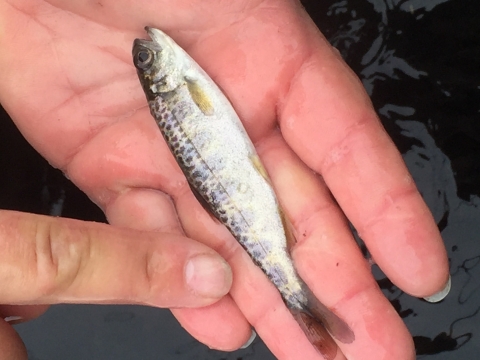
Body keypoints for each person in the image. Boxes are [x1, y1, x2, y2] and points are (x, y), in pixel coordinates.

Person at [0, 1, 449, 359]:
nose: (147, 50)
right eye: (147, 60)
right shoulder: (179, 81)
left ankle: (301, 305)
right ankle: (301, 300)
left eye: (145, 60)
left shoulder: (176, 77)